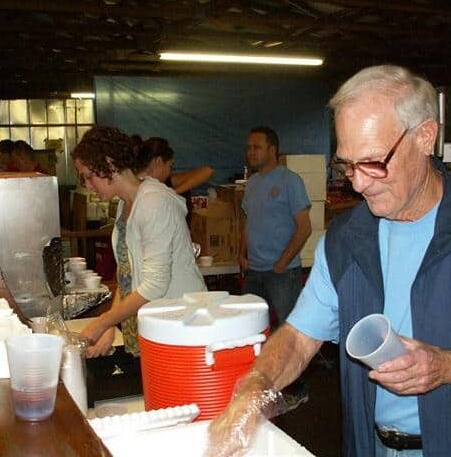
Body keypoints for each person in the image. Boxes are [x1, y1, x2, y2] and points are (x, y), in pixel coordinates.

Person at [206, 66, 451, 457]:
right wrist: (255, 385)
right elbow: (300, 337)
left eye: (373, 162)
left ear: (425, 137)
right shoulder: (347, 239)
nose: (358, 183)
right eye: (346, 164)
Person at [72, 126, 206, 357]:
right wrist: (111, 326)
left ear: (109, 164)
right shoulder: (126, 203)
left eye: (88, 176)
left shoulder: (154, 203)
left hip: (181, 325)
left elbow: (154, 285)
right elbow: (128, 274)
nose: (87, 185)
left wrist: (102, 322)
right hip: (156, 323)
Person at [239, 126, 311, 327]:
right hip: (254, 270)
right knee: (248, 325)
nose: (250, 152)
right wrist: (241, 254)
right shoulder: (252, 183)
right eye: (249, 148)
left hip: (282, 273)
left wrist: (282, 263)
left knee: (288, 330)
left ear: (272, 150)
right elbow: (249, 221)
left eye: (256, 147)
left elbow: (304, 227)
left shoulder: (290, 181)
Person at [136, 136, 214, 195]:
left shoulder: (166, 182)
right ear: (159, 162)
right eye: (170, 166)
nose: (169, 171)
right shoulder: (141, 189)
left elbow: (208, 171)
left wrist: (172, 193)